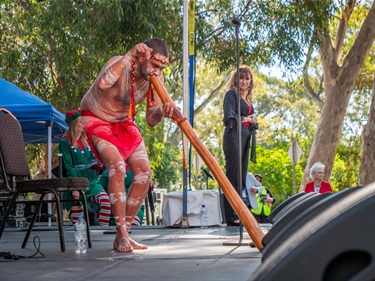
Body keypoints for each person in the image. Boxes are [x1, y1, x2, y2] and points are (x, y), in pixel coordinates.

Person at [80, 38, 173, 252]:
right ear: (142, 57)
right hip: (97, 118)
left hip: (124, 122)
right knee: (117, 167)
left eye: (161, 68)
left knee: (144, 173)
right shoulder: (120, 62)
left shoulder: (155, 78)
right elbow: (103, 83)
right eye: (154, 65)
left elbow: (151, 118)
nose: (157, 71)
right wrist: (129, 55)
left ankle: (124, 233)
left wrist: (162, 112)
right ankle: (121, 234)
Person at [58, 109, 111, 226]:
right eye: (81, 123)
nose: (84, 125)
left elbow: (93, 161)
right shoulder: (65, 142)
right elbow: (68, 166)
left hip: (91, 179)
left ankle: (102, 231)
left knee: (106, 202)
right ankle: (78, 239)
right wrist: (75, 187)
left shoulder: (87, 140)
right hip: (76, 180)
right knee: (78, 214)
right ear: (74, 125)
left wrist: (99, 163)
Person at [222, 65, 258, 226]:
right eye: (241, 78)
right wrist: (246, 119)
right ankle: (231, 216)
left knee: (242, 175)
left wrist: (253, 120)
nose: (244, 82)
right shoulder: (231, 95)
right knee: (233, 175)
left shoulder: (248, 99)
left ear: (250, 81)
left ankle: (240, 210)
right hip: (234, 137)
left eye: (247, 79)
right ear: (236, 80)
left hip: (245, 138)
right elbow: (230, 116)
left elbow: (249, 119)